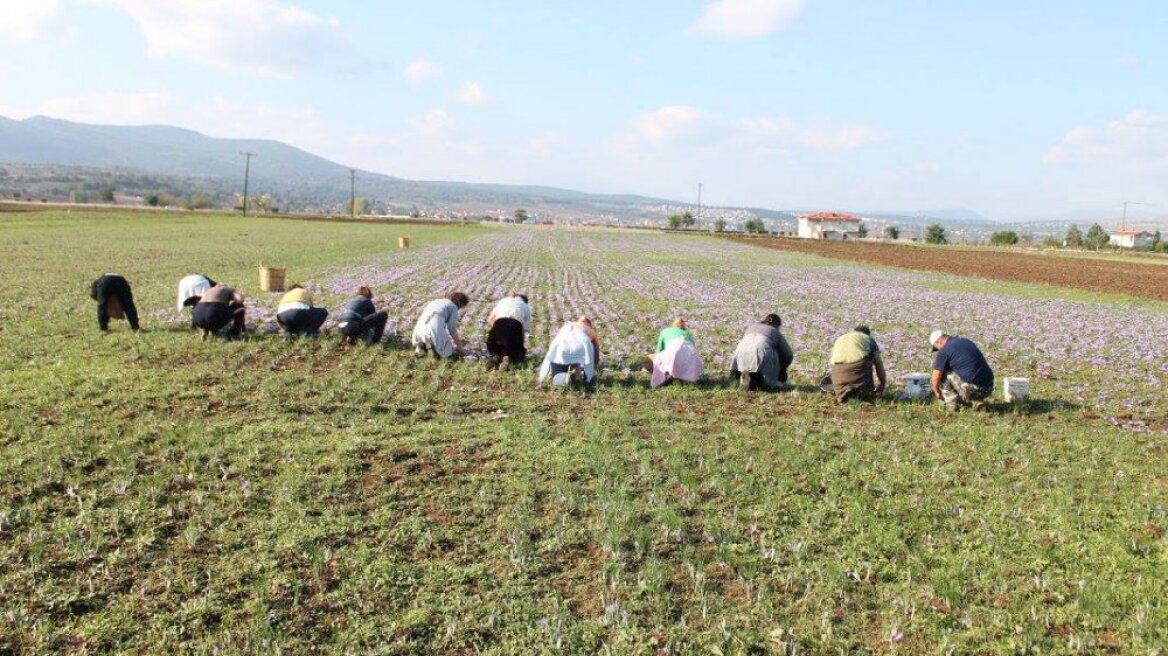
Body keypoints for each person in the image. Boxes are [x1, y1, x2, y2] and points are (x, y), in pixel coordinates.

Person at [929, 330, 994, 411]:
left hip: (971, 390)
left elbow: (936, 377)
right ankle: (977, 402)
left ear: (939, 342)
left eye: (936, 348)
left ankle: (952, 406)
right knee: (964, 371)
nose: (938, 350)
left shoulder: (944, 350)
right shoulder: (966, 341)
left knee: (944, 373)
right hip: (989, 388)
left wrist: (937, 392)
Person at [729, 314, 793, 391]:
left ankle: (743, 378)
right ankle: (772, 384)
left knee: (750, 364)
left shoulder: (751, 327)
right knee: (776, 354)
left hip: (740, 353)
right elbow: (788, 354)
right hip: (761, 352)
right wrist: (782, 366)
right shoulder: (774, 331)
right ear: (775, 324)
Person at [828, 325, 887, 403]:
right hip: (858, 369)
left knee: (841, 386)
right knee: (870, 357)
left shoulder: (841, 338)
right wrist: (882, 383)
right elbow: (878, 364)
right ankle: (862, 391)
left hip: (837, 372)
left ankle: (843, 391)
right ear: (867, 334)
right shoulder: (868, 339)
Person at [537, 317, 601, 385]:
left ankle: (560, 377)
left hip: (561, 346)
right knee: (581, 359)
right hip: (580, 347)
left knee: (559, 370)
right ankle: (582, 379)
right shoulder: (590, 330)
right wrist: (593, 364)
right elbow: (596, 347)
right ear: (589, 324)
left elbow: (559, 337)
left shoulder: (567, 325)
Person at [411, 292, 469, 358]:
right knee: (448, 352)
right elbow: (452, 329)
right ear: (461, 304)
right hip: (434, 324)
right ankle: (433, 351)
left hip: (420, 324)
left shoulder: (436, 301)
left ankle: (421, 348)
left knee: (427, 336)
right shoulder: (453, 307)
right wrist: (460, 348)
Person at [650, 317, 703, 388]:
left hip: (672, 356)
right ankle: (682, 378)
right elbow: (693, 350)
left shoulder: (665, 331)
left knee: (653, 358)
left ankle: (665, 376)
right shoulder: (689, 334)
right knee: (682, 358)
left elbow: (659, 351)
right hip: (692, 362)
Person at [486, 293, 532, 367]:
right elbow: (524, 329)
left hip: (499, 322)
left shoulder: (503, 301)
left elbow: (490, 319)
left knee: (494, 343)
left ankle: (495, 356)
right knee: (515, 347)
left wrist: (498, 332)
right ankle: (508, 357)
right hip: (515, 324)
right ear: (525, 301)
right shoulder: (526, 306)